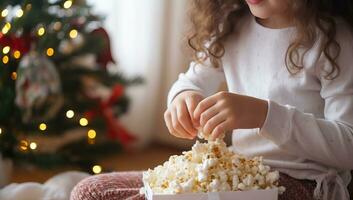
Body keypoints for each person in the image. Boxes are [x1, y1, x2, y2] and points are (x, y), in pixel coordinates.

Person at [71, 0, 353, 199]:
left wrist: (264, 115)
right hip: (238, 173)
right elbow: (191, 81)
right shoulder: (231, 25)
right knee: (89, 192)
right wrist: (184, 98)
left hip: (305, 185)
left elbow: (348, 146)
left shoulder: (332, 40)